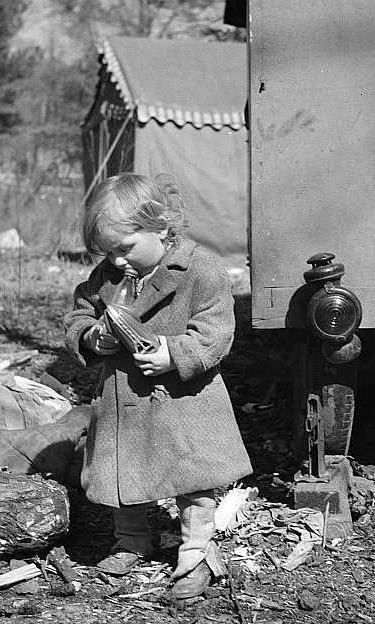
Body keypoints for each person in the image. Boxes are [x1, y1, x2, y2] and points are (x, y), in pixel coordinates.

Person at [64, 173, 253, 600]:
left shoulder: (199, 269)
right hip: (124, 398)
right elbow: (79, 314)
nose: (115, 261)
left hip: (184, 399)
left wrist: (174, 354)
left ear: (161, 227)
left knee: (193, 477)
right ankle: (131, 539)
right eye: (107, 252)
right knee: (123, 472)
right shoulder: (107, 278)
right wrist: (93, 336)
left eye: (125, 248)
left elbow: (216, 332)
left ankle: (196, 552)